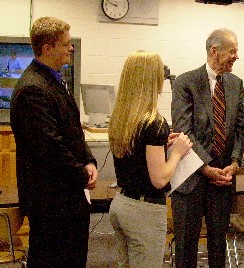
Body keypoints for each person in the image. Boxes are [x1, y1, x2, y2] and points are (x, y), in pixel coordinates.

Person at [10, 17, 98, 268]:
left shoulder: (53, 80)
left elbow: (73, 132)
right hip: (51, 202)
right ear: (47, 48)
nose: (71, 49)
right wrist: (82, 174)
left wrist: (89, 160)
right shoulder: (33, 88)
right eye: (66, 44)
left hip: (66, 198)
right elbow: (50, 147)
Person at [108, 50, 192, 268]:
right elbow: (159, 180)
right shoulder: (154, 123)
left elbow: (136, 155)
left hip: (122, 204)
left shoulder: (121, 118)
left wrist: (161, 144)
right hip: (144, 212)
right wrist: (176, 153)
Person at [171, 28, 244, 267]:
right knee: (186, 245)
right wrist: (206, 168)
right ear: (214, 51)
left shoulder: (236, 83)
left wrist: (234, 163)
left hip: (223, 178)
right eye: (232, 51)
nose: (236, 56)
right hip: (191, 177)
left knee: (218, 244)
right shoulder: (186, 82)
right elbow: (184, 131)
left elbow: (239, 129)